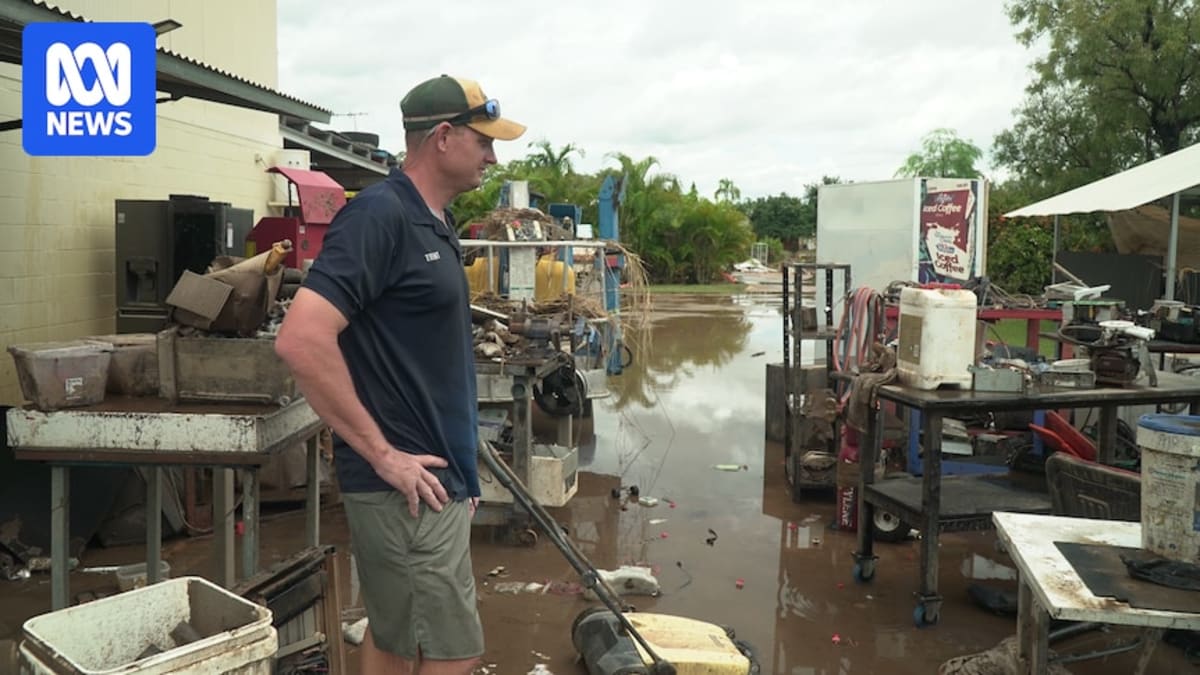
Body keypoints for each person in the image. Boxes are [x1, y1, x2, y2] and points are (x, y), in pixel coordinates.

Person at [275, 75, 525, 675]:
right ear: (443, 137)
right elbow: (302, 338)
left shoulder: (430, 220)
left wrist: (462, 472)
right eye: (484, 141)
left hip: (431, 483)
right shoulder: (380, 217)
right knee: (452, 654)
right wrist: (385, 456)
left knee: (391, 637)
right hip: (402, 488)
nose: (493, 156)